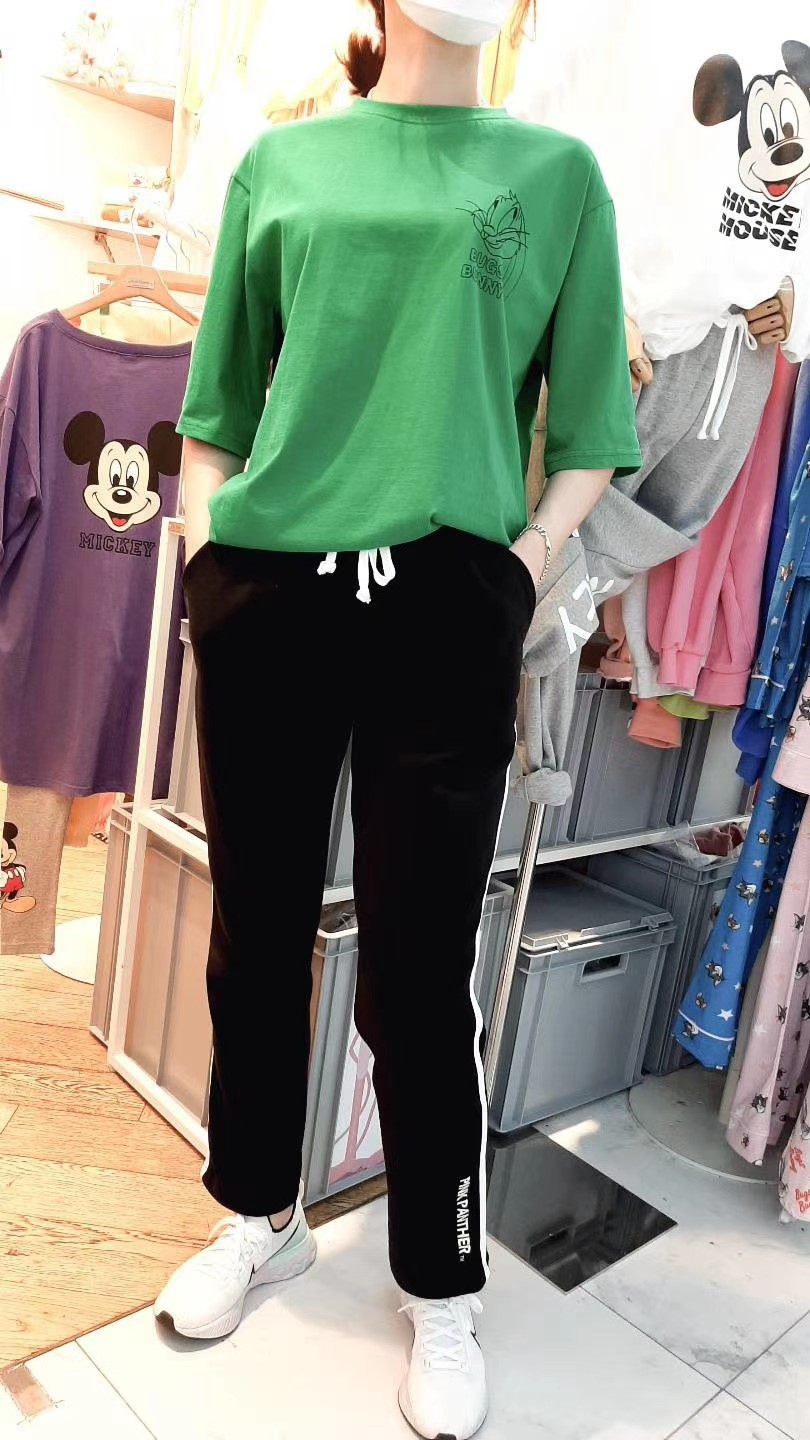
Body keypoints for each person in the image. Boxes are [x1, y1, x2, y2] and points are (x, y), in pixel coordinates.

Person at [154, 2, 641, 1434]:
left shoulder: (557, 174)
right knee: (257, 931)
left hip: (446, 594)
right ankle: (261, 1212)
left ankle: (439, 1275)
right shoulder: (282, 164)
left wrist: (525, 564)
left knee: (421, 966)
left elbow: (592, 424)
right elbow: (218, 402)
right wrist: (206, 554)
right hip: (269, 588)